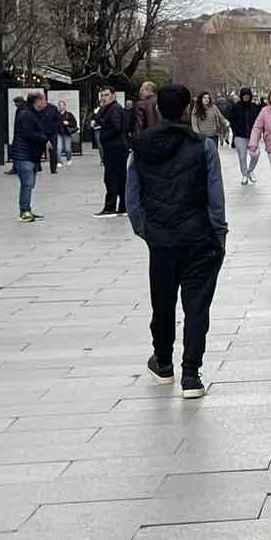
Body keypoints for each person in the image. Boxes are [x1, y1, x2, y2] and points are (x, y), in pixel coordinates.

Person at [126, 84, 227, 400]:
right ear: (187, 110)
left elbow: (132, 198)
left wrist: (146, 231)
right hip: (199, 238)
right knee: (196, 308)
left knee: (162, 301)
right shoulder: (203, 146)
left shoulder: (139, 147)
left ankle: (163, 361)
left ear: (159, 109)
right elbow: (215, 196)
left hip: (161, 239)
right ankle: (191, 374)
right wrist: (220, 234)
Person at [91, 88, 132, 217]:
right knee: (119, 177)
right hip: (115, 146)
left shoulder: (114, 108)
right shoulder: (108, 108)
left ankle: (110, 207)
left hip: (115, 147)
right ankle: (123, 206)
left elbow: (116, 127)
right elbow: (96, 119)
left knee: (111, 177)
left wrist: (104, 137)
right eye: (102, 95)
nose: (104, 97)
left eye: (107, 95)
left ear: (113, 95)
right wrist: (101, 107)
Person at [11, 91, 49, 223]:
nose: (45, 103)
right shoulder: (26, 113)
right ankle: (24, 212)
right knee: (27, 184)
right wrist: (44, 139)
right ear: (37, 101)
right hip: (23, 154)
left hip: (31, 154)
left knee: (29, 184)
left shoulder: (33, 113)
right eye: (44, 100)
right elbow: (27, 133)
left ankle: (26, 209)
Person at [227, 88, 262, 186]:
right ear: (241, 96)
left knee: (256, 154)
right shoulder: (236, 107)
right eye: (244, 95)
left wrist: (258, 132)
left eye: (248, 95)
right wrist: (235, 130)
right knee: (242, 157)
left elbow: (260, 120)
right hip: (240, 136)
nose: (246, 97)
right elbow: (231, 119)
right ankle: (244, 175)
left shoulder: (255, 107)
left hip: (253, 136)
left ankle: (250, 171)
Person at [35, 92, 63, 175]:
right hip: (41, 132)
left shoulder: (53, 108)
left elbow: (57, 119)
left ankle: (53, 169)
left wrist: (55, 128)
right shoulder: (37, 108)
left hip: (52, 133)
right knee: (38, 150)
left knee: (53, 151)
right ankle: (37, 167)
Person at [56, 101, 77, 167]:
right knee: (59, 148)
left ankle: (69, 159)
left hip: (67, 133)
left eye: (62, 105)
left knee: (67, 148)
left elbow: (74, 123)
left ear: (65, 106)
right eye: (60, 105)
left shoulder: (69, 114)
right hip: (58, 133)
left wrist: (68, 123)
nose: (61, 106)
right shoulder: (56, 114)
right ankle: (59, 161)